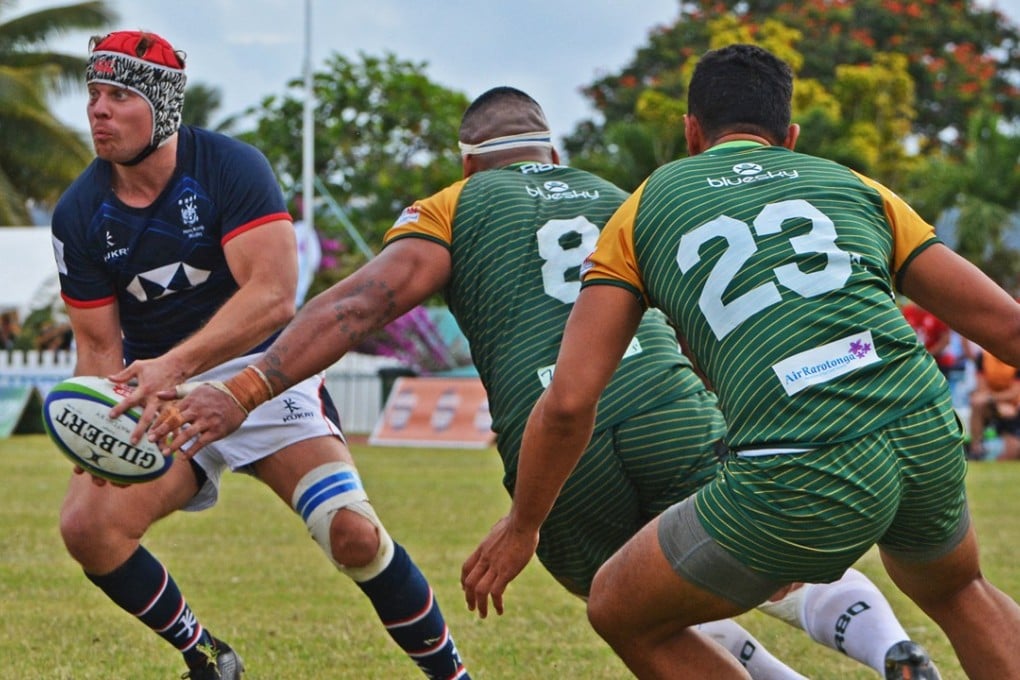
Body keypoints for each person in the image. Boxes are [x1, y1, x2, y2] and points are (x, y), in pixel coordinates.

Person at [153, 86, 939, 679]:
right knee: (762, 559)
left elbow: (364, 303)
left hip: (562, 435)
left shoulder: (456, 204)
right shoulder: (629, 198)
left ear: (469, 163)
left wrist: (250, 386)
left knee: (634, 596)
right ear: (555, 156)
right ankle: (892, 647)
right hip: (671, 405)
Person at [455, 46, 1020, 679]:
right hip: (921, 430)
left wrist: (524, 523)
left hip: (800, 462)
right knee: (960, 590)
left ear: (692, 130)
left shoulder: (643, 206)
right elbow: (1008, 328)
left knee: (618, 605)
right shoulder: (853, 184)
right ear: (791, 136)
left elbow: (568, 401)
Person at [50, 30, 469, 680]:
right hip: (162, 398)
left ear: (161, 107)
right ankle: (208, 658)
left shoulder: (229, 168)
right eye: (94, 94)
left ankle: (453, 676)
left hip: (265, 376)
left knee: (351, 533)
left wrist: (178, 367)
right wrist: (99, 429)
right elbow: (99, 347)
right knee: (86, 528)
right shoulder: (80, 210)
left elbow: (273, 299)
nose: (98, 110)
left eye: (119, 95)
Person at [967, 348, 1020, 460]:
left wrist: (994, 399)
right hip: (992, 404)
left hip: (1014, 405)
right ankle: (976, 448)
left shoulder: (1016, 356)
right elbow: (981, 388)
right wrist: (995, 401)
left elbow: (1015, 392)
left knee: (1013, 451)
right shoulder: (982, 357)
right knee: (977, 402)